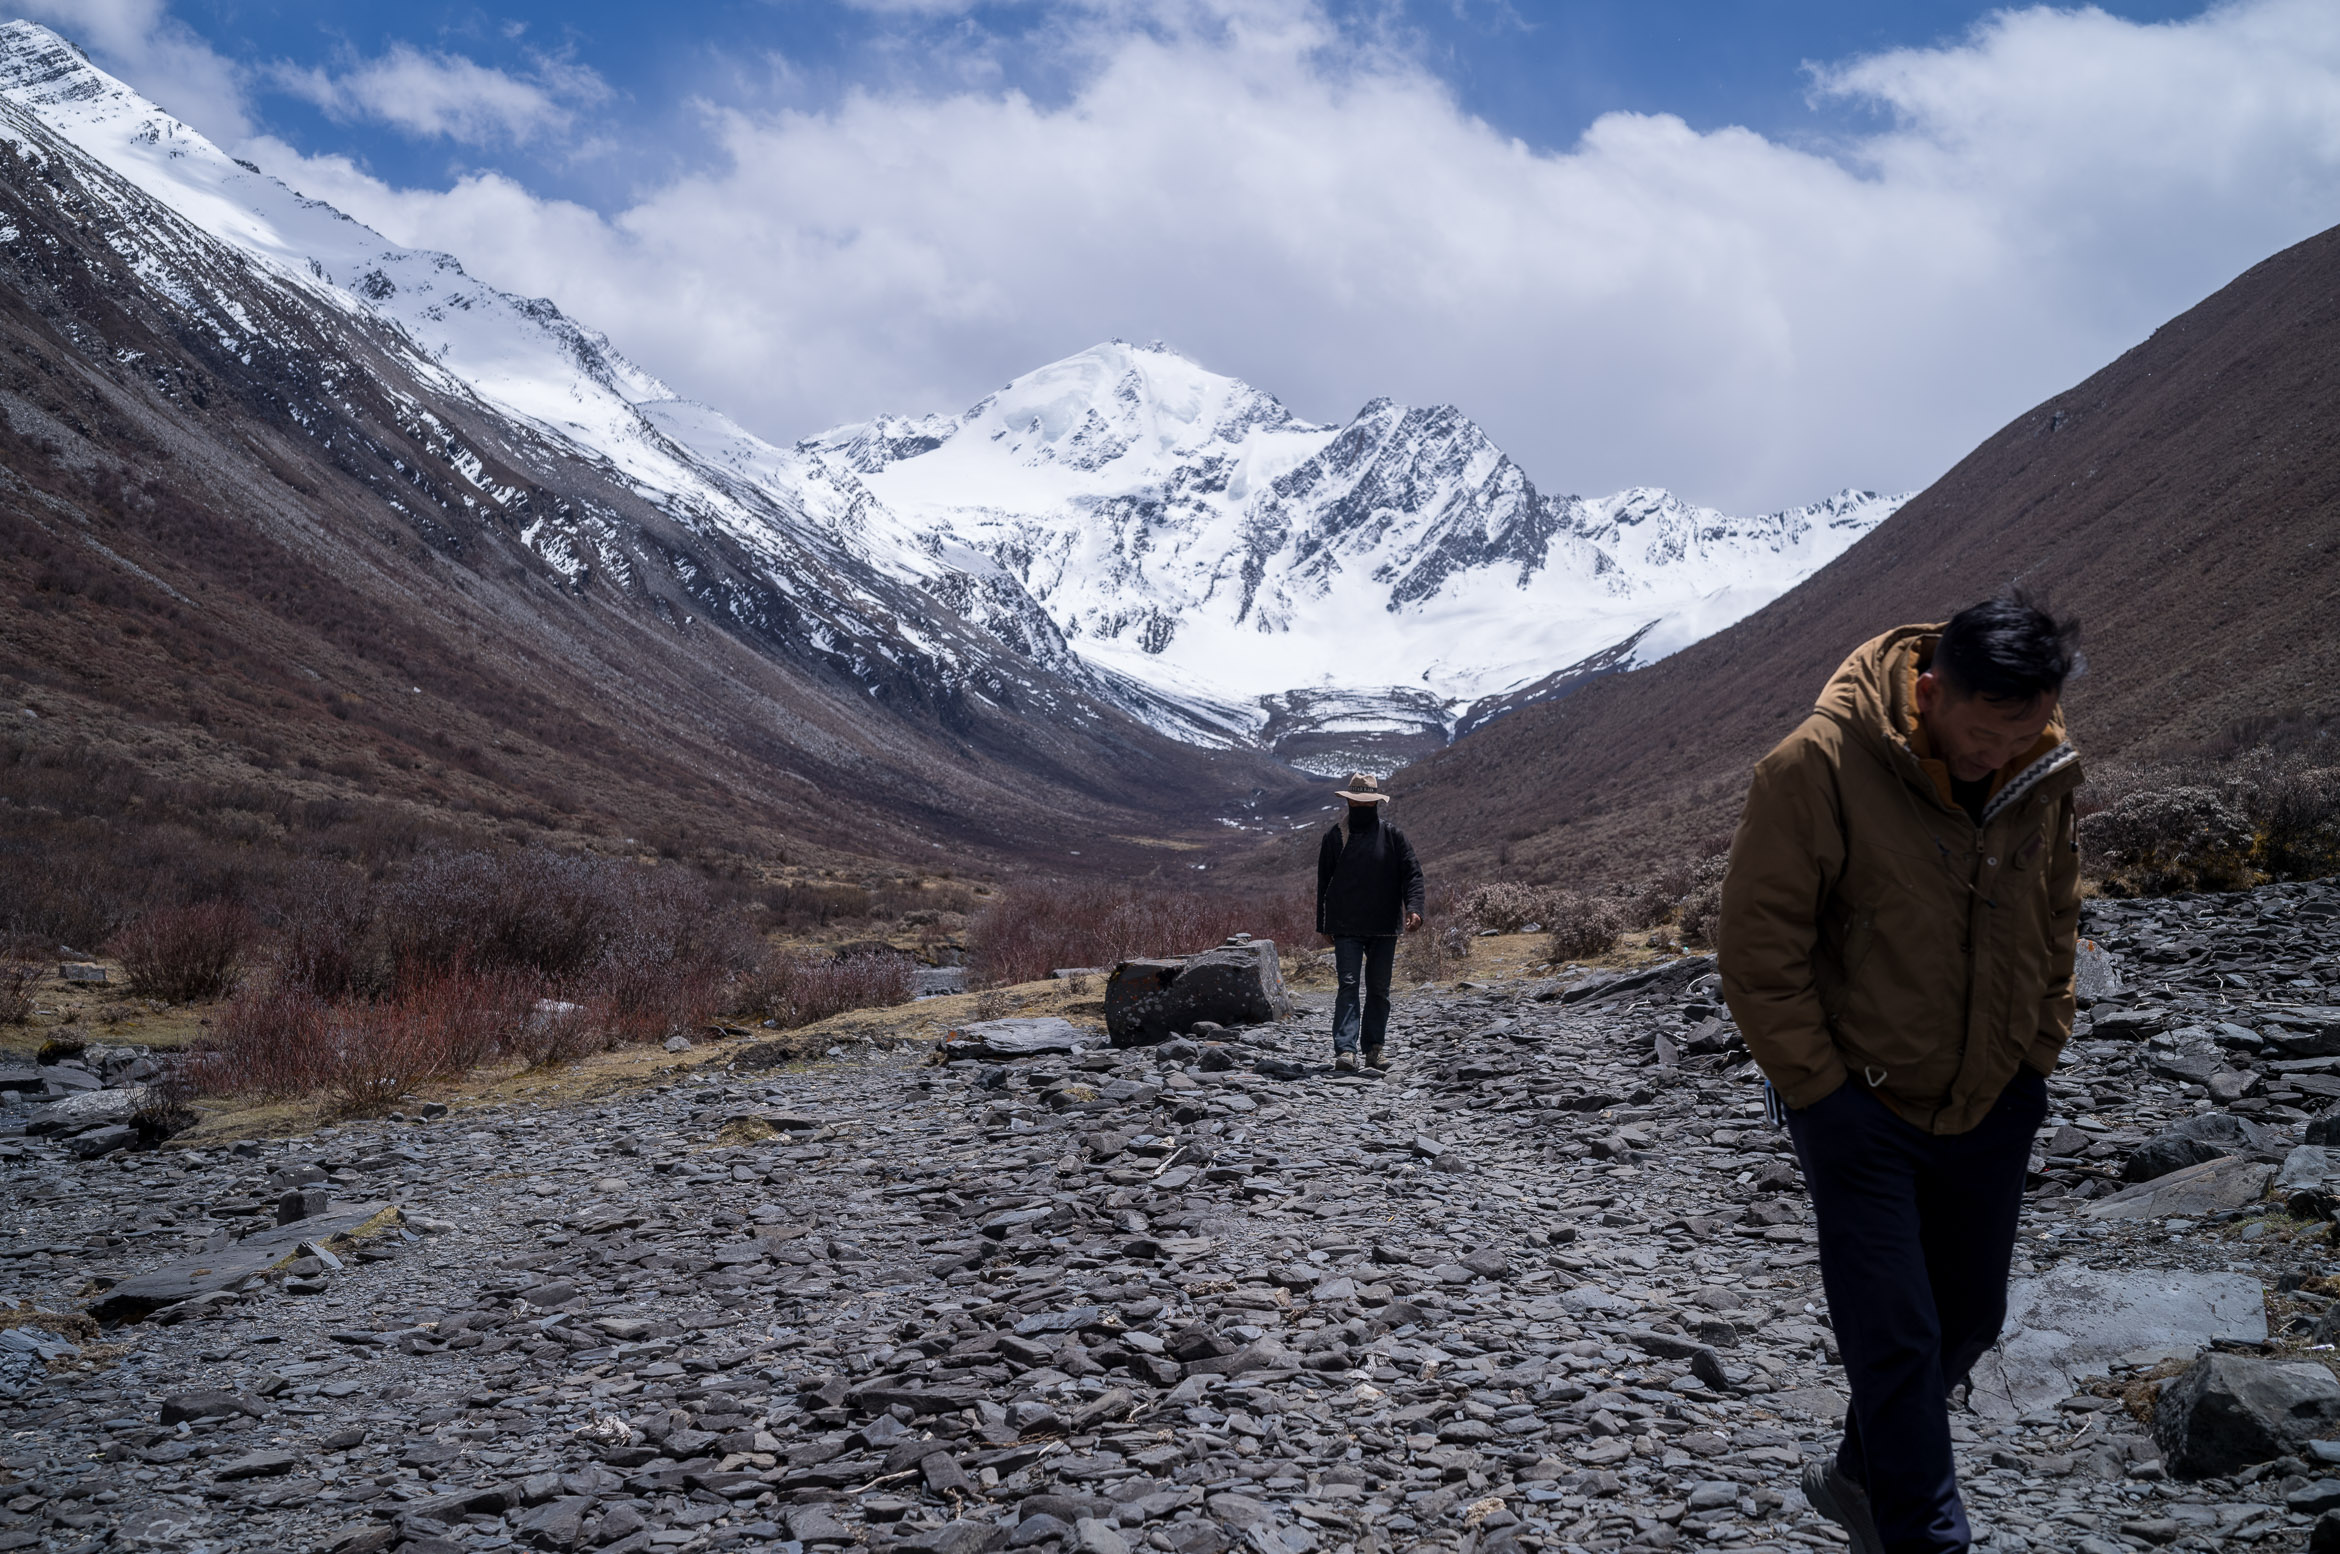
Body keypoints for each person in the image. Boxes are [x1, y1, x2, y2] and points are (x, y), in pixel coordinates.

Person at [1719, 594, 2083, 1554]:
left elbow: (2056, 913)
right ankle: (1922, 1534)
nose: (2000, 753)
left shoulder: (2041, 769)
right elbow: (1758, 950)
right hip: (1859, 1106)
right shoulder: (1818, 765)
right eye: (1984, 733)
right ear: (1928, 693)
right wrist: (1822, 1097)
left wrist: (2036, 1054)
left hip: (1993, 1097)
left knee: (1970, 1318)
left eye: (2025, 731)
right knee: (1895, 1334)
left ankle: (1856, 1476)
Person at [1315, 773, 1425, 1073]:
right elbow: (1324, 883)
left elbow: (1412, 874)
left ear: (1376, 802)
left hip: (1384, 926)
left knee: (1379, 990)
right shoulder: (1335, 837)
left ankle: (1374, 1049)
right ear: (1349, 801)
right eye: (1357, 802)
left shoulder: (1393, 836)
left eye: (1367, 802)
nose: (1362, 806)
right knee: (1348, 986)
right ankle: (1346, 1050)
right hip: (1345, 925)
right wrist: (1323, 924)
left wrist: (1415, 908)